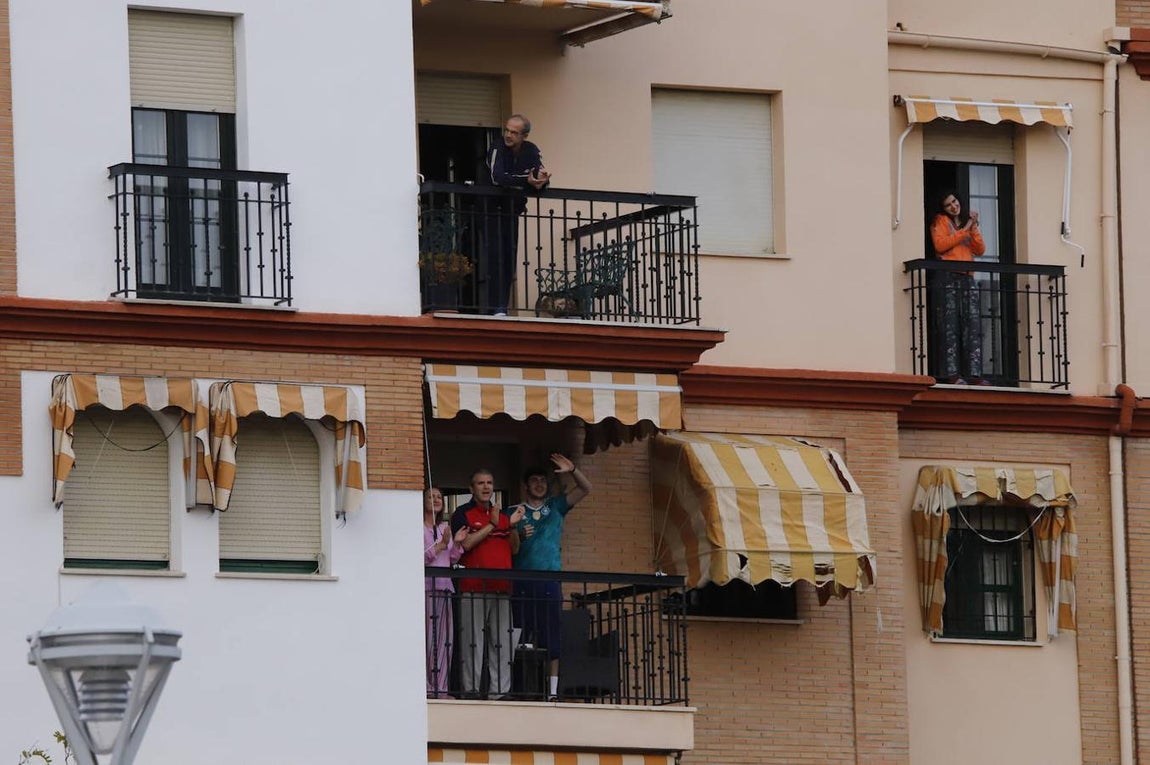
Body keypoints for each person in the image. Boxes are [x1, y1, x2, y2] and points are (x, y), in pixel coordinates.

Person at [511, 453, 592, 700]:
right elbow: (510, 548)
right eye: (533, 480)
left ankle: (553, 692)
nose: (539, 484)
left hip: (550, 578)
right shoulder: (512, 511)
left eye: (542, 480)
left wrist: (572, 469)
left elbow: (586, 488)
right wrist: (518, 533)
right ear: (525, 486)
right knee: (518, 634)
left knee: (552, 634)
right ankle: (516, 688)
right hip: (521, 579)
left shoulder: (556, 506)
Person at [450, 469, 526, 699]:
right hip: (473, 587)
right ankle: (471, 690)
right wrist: (492, 526)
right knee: (473, 642)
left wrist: (510, 526)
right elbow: (466, 544)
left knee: (502, 642)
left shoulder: (503, 516)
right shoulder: (462, 513)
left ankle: (500, 692)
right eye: (480, 483)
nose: (486, 487)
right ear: (471, 488)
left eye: (490, 483)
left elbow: (514, 549)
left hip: (502, 588)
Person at [484, 114, 551, 315]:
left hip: (512, 211)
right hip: (488, 210)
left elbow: (538, 174)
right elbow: (498, 178)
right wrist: (527, 181)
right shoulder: (497, 147)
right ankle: (493, 307)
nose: (508, 135)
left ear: (524, 135)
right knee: (494, 257)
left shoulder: (531, 150)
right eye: (507, 130)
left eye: (514, 132)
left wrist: (542, 181)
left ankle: (501, 308)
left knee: (508, 259)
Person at [929, 190, 987, 385]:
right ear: (943, 209)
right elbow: (940, 244)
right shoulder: (941, 221)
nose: (954, 206)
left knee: (972, 326)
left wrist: (974, 228)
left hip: (967, 278)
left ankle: (974, 375)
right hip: (947, 277)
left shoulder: (966, 225)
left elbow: (979, 249)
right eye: (948, 205)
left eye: (954, 201)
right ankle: (952, 375)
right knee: (950, 326)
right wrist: (966, 229)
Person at [423, 487, 468, 699]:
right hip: (424, 590)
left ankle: (441, 689)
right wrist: (440, 546)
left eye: (439, 497)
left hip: (444, 588)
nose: (437, 499)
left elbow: (452, 560)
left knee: (444, 641)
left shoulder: (444, 527)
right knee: (426, 640)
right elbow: (417, 558)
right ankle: (425, 686)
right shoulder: (416, 528)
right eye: (431, 496)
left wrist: (456, 543)